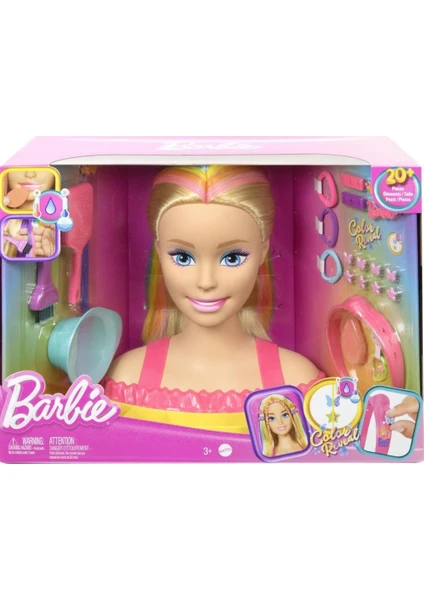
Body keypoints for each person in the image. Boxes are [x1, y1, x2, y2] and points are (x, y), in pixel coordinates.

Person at [105, 165, 324, 433]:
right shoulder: (127, 379)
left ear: (263, 250)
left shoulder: (296, 381)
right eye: (182, 257)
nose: (206, 281)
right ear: (159, 251)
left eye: (232, 258)